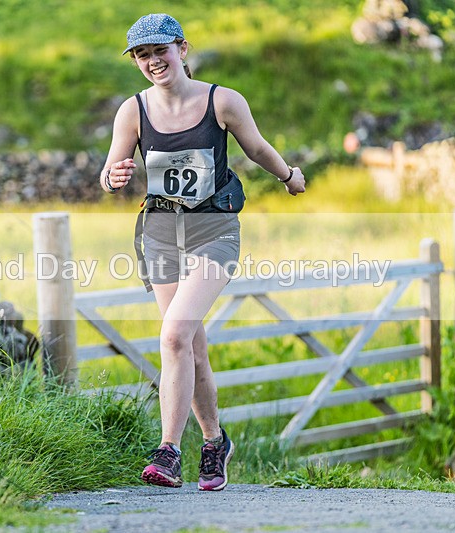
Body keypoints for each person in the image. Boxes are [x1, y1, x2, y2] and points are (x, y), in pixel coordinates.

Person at [99, 13, 306, 492]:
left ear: (182, 49)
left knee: (173, 334)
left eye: (160, 51)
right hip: (159, 233)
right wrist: (113, 177)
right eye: (142, 55)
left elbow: (255, 148)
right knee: (190, 345)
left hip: (214, 229)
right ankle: (215, 442)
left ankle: (168, 451)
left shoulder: (222, 101)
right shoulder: (132, 111)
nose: (153, 62)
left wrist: (289, 175)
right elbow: (110, 169)